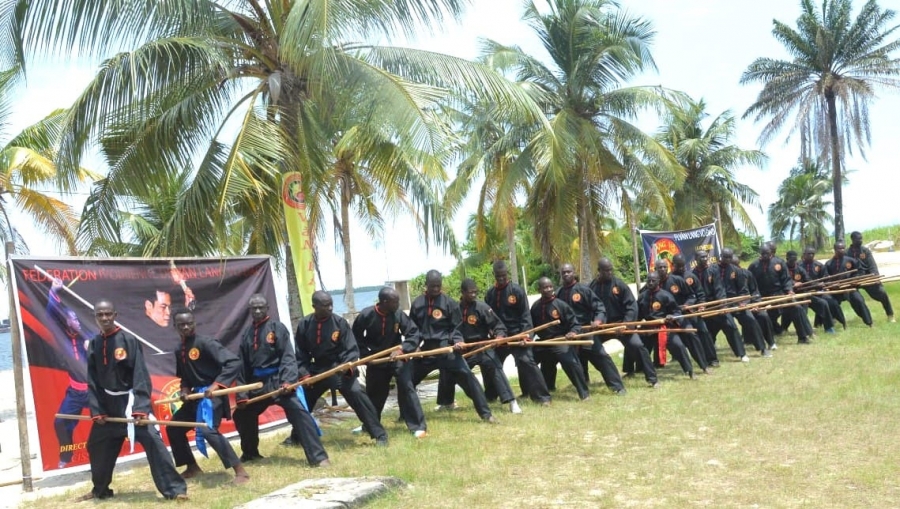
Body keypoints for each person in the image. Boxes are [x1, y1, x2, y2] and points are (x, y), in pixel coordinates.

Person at [77, 300, 187, 501]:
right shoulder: (94, 344)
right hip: (107, 407)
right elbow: (92, 380)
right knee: (96, 445)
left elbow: (140, 375)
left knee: (154, 442)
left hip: (130, 405)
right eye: (100, 315)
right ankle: (100, 490)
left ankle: (175, 490)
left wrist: (140, 408)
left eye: (108, 314)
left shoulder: (128, 340)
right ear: (95, 317)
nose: (104, 318)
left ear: (115, 314)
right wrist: (97, 410)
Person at [233, 294, 330, 465]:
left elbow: (288, 357)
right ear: (249, 310)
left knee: (299, 412)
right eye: (254, 308)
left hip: (278, 381)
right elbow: (242, 366)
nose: (257, 311)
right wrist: (242, 394)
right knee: (242, 414)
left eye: (260, 307)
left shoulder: (277, 328)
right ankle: (250, 453)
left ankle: (318, 457)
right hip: (257, 383)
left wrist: (288, 381)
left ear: (267, 308)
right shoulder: (247, 334)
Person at [165, 308, 249, 484]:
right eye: (181, 325)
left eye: (189, 323)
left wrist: (216, 385)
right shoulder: (179, 349)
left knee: (207, 430)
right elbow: (185, 376)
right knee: (174, 427)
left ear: (194, 323)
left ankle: (240, 471)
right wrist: (185, 389)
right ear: (175, 327)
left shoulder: (206, 343)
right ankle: (192, 466)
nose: (186, 327)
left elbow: (234, 362)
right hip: (196, 396)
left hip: (213, 396)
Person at [295, 291, 389, 445]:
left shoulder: (340, 323)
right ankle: (296, 436)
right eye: (326, 305)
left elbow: (351, 350)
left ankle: (379, 434)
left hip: (339, 367)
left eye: (331, 304)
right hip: (317, 369)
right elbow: (300, 354)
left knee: (356, 392)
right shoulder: (305, 325)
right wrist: (305, 375)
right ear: (315, 307)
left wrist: (346, 367)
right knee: (300, 400)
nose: (331, 307)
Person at [408, 271, 497, 423]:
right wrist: (415, 346)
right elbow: (413, 329)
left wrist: (457, 341)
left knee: (469, 378)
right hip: (427, 351)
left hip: (447, 349)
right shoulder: (417, 304)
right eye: (432, 286)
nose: (436, 289)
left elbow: (456, 328)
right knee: (407, 381)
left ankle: (486, 414)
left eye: (438, 286)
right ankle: (406, 415)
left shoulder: (450, 303)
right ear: (426, 285)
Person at [436, 279, 523, 414]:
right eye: (470, 293)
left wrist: (499, 337)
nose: (473, 295)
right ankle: (447, 402)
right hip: (464, 348)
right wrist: (457, 342)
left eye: (475, 292)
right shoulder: (455, 309)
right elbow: (453, 330)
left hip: (482, 346)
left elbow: (498, 326)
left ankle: (511, 401)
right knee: (448, 368)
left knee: (495, 366)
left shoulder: (482, 307)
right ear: (463, 292)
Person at [352, 287, 429, 437]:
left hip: (397, 357)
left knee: (407, 387)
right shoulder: (366, 315)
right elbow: (355, 338)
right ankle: (369, 426)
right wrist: (366, 356)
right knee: (375, 394)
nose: (398, 304)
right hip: (376, 359)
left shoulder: (398, 314)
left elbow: (413, 333)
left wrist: (403, 350)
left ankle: (418, 426)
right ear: (384, 302)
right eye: (395, 301)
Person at [483, 261, 552, 405]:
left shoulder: (517, 290)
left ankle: (542, 397)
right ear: (494, 275)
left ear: (507, 274)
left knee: (527, 361)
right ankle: (491, 396)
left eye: (503, 275)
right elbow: (488, 318)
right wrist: (492, 334)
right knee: (489, 361)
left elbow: (525, 315)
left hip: (518, 334)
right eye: (498, 276)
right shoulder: (490, 294)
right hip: (499, 337)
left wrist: (526, 335)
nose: (501, 278)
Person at [550, 263, 623, 392]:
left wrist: (598, 321)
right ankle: (580, 384)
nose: (566, 274)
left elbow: (599, 308)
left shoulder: (583, 290)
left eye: (568, 272)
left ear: (574, 272)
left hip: (585, 330)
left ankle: (617, 387)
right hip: (569, 334)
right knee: (566, 358)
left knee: (601, 356)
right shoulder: (559, 293)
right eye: (563, 273)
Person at [46, 277, 92, 469]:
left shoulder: (88, 337)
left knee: (112, 417)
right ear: (67, 322)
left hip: (93, 391)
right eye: (73, 319)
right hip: (74, 392)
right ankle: (67, 454)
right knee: (60, 423)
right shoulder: (63, 335)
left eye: (77, 318)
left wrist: (93, 348)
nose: (77, 322)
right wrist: (53, 291)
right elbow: (50, 314)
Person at [588, 258, 653, 390]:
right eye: (606, 270)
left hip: (621, 325)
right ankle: (585, 379)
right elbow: (589, 307)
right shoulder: (592, 287)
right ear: (599, 271)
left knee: (637, 345)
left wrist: (626, 324)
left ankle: (652, 378)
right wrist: (594, 321)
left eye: (611, 270)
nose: (609, 272)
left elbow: (631, 305)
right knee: (587, 348)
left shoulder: (619, 285)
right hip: (602, 327)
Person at [530, 277, 591, 400]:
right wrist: (528, 338)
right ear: (539, 289)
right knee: (528, 360)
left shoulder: (561, 305)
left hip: (560, 339)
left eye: (550, 287)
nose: (548, 289)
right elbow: (532, 327)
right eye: (545, 287)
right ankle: (540, 391)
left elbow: (575, 323)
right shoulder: (536, 306)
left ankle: (584, 393)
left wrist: (572, 332)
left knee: (569, 361)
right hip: (544, 342)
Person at [693, 250, 749, 362]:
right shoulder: (693, 274)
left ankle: (741, 354)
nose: (704, 259)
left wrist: (723, 305)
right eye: (701, 257)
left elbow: (719, 289)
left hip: (718, 304)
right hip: (704, 307)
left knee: (731, 327)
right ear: (696, 259)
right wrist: (698, 305)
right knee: (707, 332)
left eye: (706, 257)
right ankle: (710, 358)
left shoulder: (713, 270)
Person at [654, 259, 710, 373]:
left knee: (691, 335)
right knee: (669, 342)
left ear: (668, 267)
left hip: (680, 316)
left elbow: (691, 296)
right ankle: (657, 365)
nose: (663, 269)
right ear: (655, 269)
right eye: (660, 267)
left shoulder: (677, 280)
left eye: (665, 267)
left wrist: (687, 304)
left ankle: (704, 366)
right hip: (665, 321)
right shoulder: (653, 285)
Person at [636, 272, 694, 378]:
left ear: (658, 281)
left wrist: (671, 316)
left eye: (653, 280)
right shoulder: (642, 296)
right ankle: (638, 369)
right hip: (648, 327)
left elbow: (676, 311)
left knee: (678, 345)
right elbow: (638, 314)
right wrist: (635, 325)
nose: (650, 283)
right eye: (648, 280)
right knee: (636, 345)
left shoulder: (666, 295)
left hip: (664, 327)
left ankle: (689, 371)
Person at [748, 245, 809, 344]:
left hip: (779, 294)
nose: (765, 255)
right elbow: (750, 283)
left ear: (771, 252)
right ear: (760, 253)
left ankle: (802, 337)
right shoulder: (754, 265)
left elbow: (786, 279)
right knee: (760, 315)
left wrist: (789, 290)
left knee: (796, 308)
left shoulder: (779, 262)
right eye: (763, 253)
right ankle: (752, 338)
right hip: (762, 296)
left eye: (767, 253)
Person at [719, 248, 770, 357]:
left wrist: (743, 301)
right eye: (725, 257)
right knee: (728, 326)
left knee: (751, 320)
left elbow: (743, 290)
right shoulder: (713, 270)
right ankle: (738, 354)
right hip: (721, 304)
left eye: (729, 257)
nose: (727, 260)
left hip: (736, 302)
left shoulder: (737, 271)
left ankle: (762, 348)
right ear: (721, 256)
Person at [672, 254, 719, 367]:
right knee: (681, 336)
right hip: (678, 314)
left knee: (703, 331)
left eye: (683, 266)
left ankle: (712, 359)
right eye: (679, 266)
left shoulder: (691, 276)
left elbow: (700, 294)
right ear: (673, 265)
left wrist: (701, 305)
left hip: (692, 311)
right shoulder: (670, 279)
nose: (681, 268)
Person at [824, 241, 873, 327]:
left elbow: (860, 271)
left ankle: (869, 322)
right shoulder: (828, 263)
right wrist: (832, 284)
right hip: (836, 289)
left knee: (859, 300)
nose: (842, 250)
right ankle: (830, 323)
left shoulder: (851, 261)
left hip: (850, 287)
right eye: (840, 248)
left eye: (843, 248)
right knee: (829, 302)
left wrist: (855, 279)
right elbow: (826, 278)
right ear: (835, 249)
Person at [848, 231, 895, 322]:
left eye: (861, 238)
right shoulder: (847, 253)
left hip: (868, 278)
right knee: (853, 298)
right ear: (853, 240)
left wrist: (875, 277)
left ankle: (890, 314)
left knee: (882, 293)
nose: (861, 240)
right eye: (859, 239)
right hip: (854, 280)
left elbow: (872, 266)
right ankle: (865, 318)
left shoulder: (865, 251)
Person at [801, 247, 846, 330]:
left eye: (812, 254)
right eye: (808, 254)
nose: (811, 255)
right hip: (803, 293)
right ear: (804, 255)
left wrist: (824, 284)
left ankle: (841, 322)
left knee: (832, 303)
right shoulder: (799, 266)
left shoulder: (819, 265)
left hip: (818, 291)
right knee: (801, 309)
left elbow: (825, 279)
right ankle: (804, 329)